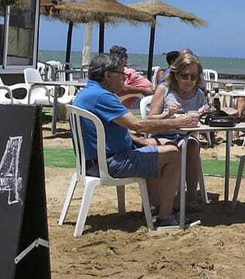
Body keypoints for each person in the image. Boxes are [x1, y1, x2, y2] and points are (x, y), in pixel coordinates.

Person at [72, 52, 200, 228]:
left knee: (159, 144)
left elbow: (112, 129)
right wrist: (179, 122)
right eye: (121, 74)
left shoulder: (87, 93)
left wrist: (142, 142)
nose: (124, 79)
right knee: (172, 154)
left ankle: (154, 206)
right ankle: (165, 216)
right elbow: (139, 125)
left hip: (93, 161)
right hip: (110, 163)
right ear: (108, 75)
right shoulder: (102, 97)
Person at [148, 49, 209, 205]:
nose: (189, 80)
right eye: (185, 76)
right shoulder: (164, 90)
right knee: (183, 146)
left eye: (193, 77)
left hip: (186, 137)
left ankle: (191, 196)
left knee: (192, 145)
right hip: (163, 135)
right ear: (176, 75)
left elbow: (201, 120)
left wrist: (203, 114)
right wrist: (168, 114)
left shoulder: (198, 94)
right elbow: (150, 121)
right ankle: (167, 199)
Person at [107, 45, 154, 109]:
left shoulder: (121, 70)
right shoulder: (121, 71)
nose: (127, 58)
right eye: (125, 56)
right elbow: (123, 88)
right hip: (143, 95)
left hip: (143, 94)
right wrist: (144, 90)